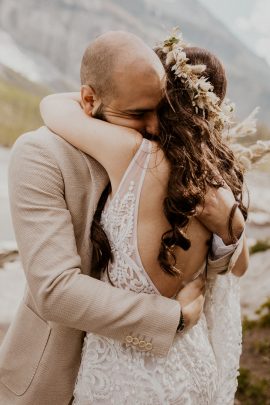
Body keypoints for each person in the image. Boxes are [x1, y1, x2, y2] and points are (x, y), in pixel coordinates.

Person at [38, 31, 249, 404]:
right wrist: (234, 223)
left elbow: (52, 107)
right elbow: (237, 266)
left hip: (125, 383)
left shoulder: (131, 154)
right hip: (195, 366)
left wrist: (98, 95)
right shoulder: (223, 181)